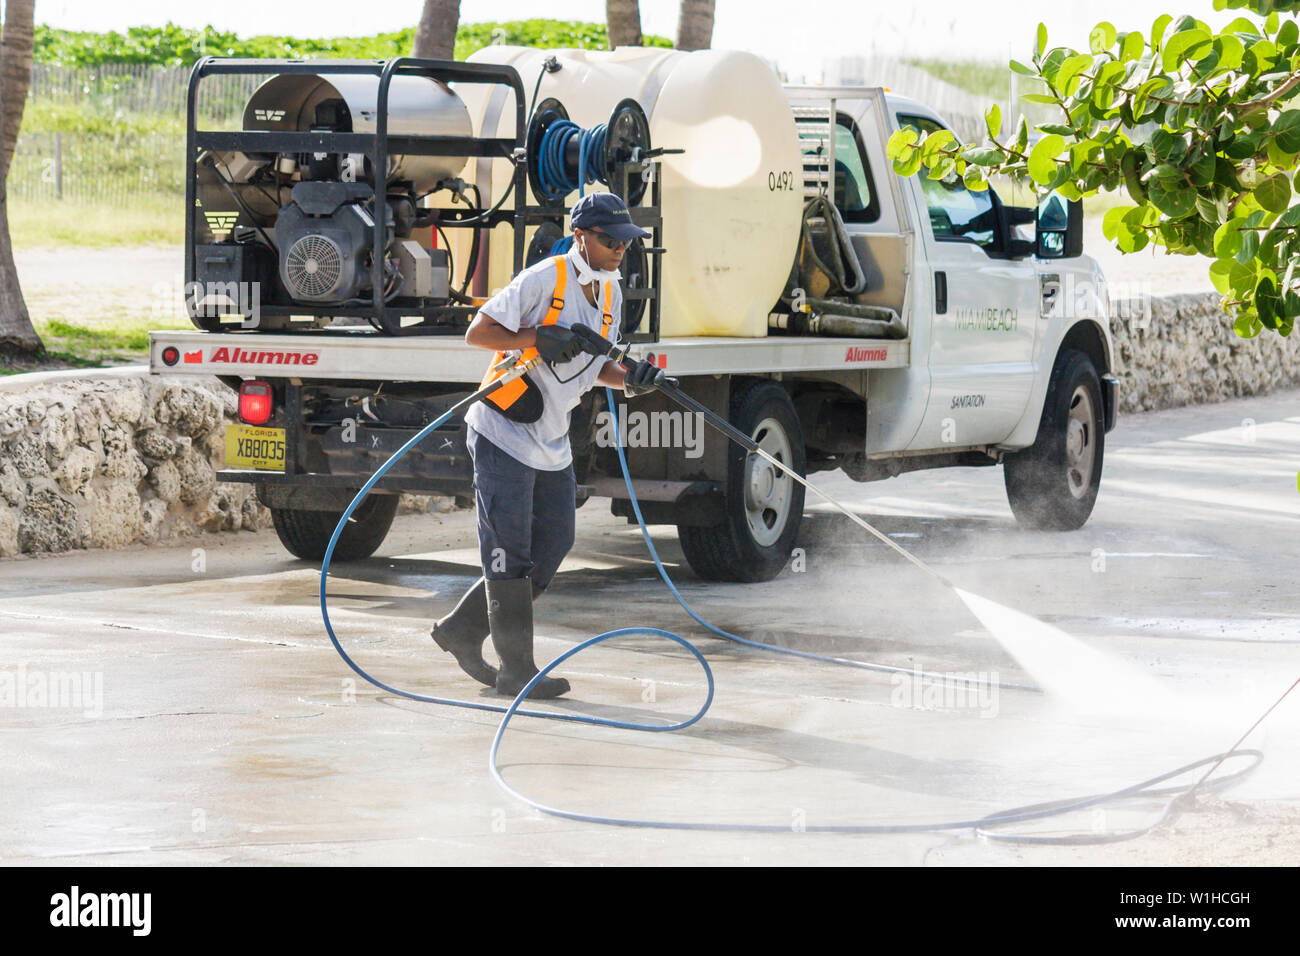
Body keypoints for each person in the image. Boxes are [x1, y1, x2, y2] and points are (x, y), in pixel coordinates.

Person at [431, 192, 666, 699]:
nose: (620, 250)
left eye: (626, 242)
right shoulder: (544, 279)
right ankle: (517, 670)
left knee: (553, 544)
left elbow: (595, 365)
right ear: (582, 236)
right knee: (508, 552)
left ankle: (460, 629)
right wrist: (537, 338)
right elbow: (479, 333)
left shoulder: (612, 293)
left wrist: (630, 380)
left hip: (552, 438)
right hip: (502, 430)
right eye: (610, 240)